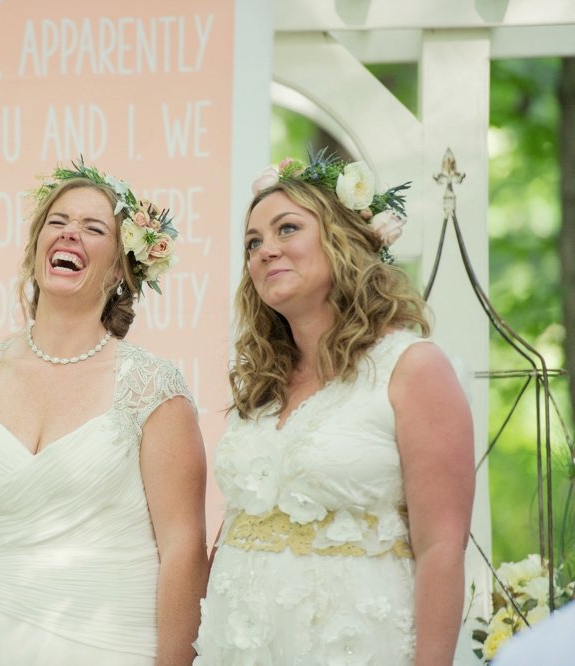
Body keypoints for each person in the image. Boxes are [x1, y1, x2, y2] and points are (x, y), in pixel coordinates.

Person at [0, 160, 209, 666]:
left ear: (120, 267)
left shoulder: (154, 389)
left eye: (93, 228)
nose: (70, 233)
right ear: (36, 248)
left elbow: (183, 546)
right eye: (57, 221)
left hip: (117, 646)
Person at [192, 152, 476, 665]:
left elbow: (442, 549)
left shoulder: (412, 369)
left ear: (341, 239)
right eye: (252, 242)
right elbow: (237, 525)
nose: (264, 250)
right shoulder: (262, 384)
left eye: (287, 229)